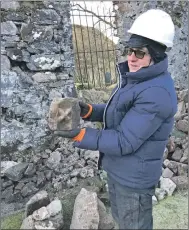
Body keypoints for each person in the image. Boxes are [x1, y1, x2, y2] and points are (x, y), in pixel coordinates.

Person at [54, 9, 177, 229]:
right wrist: (89, 111)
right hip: (120, 171)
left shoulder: (157, 93)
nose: (131, 57)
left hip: (134, 180)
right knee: (122, 222)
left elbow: (124, 140)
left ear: (155, 56)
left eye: (139, 53)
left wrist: (80, 134)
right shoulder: (139, 80)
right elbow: (120, 113)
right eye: (130, 50)